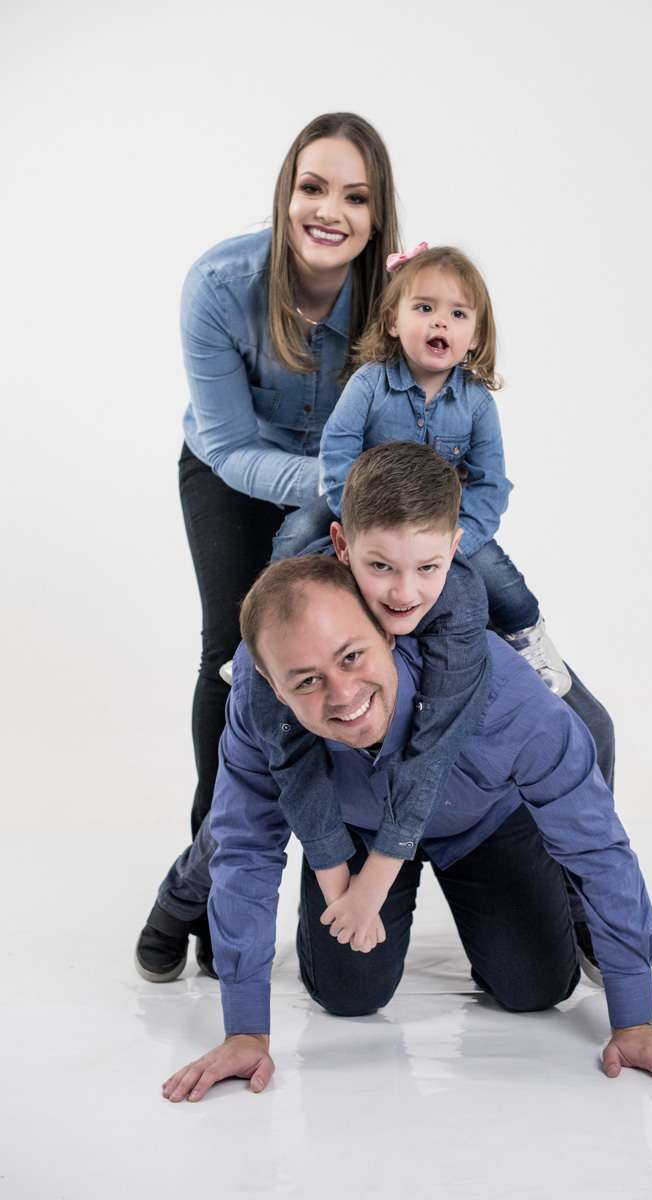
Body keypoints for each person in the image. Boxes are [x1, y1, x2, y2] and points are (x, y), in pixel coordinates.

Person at [161, 555, 652, 1103]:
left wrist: (634, 1018)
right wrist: (245, 1030)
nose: (342, 694)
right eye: (307, 681)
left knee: (537, 989)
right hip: (353, 832)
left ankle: (552, 919)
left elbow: (598, 847)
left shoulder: (505, 696)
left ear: (388, 632)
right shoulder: (259, 709)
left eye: (352, 656)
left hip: (485, 822)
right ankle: (171, 909)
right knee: (348, 995)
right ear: (272, 684)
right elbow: (244, 849)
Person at [137, 442, 615, 978]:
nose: (403, 592)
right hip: (343, 500)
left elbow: (432, 751)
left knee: (591, 729)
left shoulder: (454, 597)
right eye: (381, 568)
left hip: (405, 505)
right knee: (257, 784)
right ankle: (181, 902)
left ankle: (578, 912)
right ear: (343, 549)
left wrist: (372, 883)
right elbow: (282, 780)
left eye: (427, 568)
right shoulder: (333, 572)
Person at [136, 113, 400, 979]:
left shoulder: (389, 295)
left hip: (340, 487)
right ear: (286, 192)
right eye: (313, 187)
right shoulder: (218, 283)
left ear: (376, 213)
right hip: (231, 468)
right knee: (233, 652)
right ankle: (211, 891)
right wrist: (335, 487)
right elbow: (229, 442)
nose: (330, 211)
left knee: (335, 659)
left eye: (355, 197)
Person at [271, 242, 572, 697]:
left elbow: (491, 482)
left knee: (497, 574)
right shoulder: (369, 382)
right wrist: (349, 517)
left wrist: (459, 541)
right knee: (297, 534)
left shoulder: (476, 403)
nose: (440, 322)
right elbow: (337, 449)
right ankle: (269, 631)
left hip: (435, 523)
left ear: (475, 335)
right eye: (425, 307)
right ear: (394, 321)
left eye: (457, 314)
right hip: (362, 509)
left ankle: (529, 638)